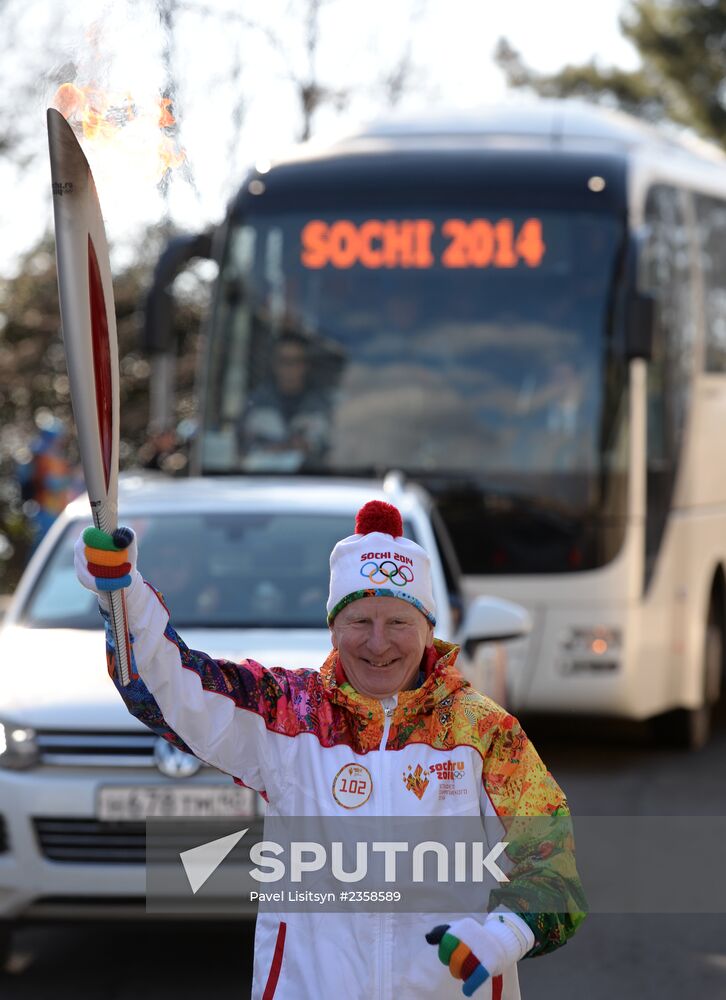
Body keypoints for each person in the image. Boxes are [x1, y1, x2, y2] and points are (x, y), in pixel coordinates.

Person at [74, 500, 586, 999]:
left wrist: (502, 935)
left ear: (429, 631)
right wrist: (124, 598)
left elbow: (551, 869)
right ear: (334, 627)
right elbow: (169, 692)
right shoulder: (286, 713)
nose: (378, 643)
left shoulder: (485, 734)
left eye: (399, 622)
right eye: (360, 621)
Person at [238, 331, 331, 471]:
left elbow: (335, 452)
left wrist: (308, 449)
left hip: (312, 485)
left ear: (306, 366)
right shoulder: (255, 405)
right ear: (274, 364)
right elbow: (240, 452)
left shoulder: (324, 407)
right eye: (284, 361)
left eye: (296, 361)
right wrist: (276, 449)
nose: (290, 369)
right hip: (260, 484)